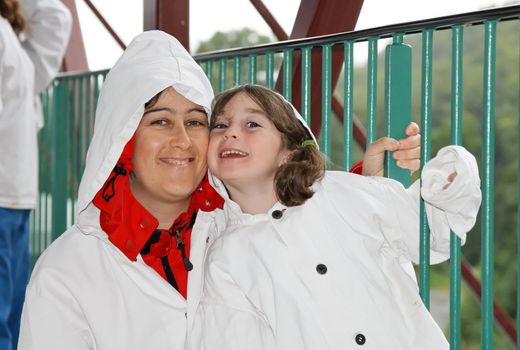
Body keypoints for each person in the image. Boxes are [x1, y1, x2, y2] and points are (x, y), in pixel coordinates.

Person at [18, 31, 421, 349]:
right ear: (122, 142)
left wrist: (363, 183)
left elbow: (304, 226)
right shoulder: (67, 272)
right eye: (160, 122)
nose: (182, 140)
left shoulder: (236, 219)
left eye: (196, 122)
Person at [189, 84, 482, 350]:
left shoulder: (346, 193)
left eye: (252, 123)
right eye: (220, 125)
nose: (230, 133)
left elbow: (431, 236)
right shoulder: (226, 258)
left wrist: (446, 184)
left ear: (289, 152)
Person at [0, 1, 70, 349]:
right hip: (16, 191)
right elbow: (56, 15)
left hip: (8, 193)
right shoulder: (14, 43)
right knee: (11, 312)